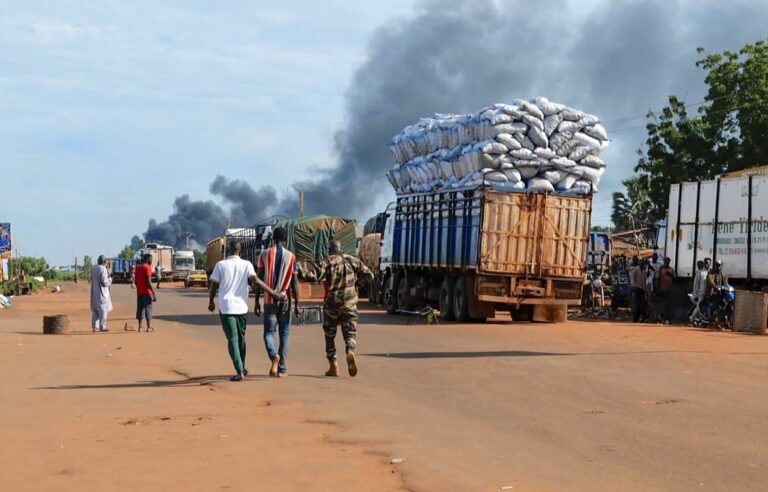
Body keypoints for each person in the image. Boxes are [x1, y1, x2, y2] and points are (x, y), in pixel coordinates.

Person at [209, 240, 284, 381]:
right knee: (241, 339)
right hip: (242, 308)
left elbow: (214, 286)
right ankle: (241, 367)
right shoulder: (247, 264)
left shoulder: (221, 265)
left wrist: (211, 301)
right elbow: (257, 281)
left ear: (228, 251)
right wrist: (273, 293)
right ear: (240, 251)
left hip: (226, 308)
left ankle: (239, 370)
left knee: (233, 339)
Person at [312, 240, 373, 377]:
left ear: (330, 250)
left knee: (330, 334)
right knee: (350, 331)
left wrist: (300, 271)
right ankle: (350, 350)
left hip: (332, 303)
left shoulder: (328, 261)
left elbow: (314, 275)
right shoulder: (353, 260)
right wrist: (356, 284)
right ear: (342, 248)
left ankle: (333, 365)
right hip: (350, 302)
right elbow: (370, 275)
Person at [255, 227, 300, 377]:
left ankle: (274, 355)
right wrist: (297, 304)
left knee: (269, 333)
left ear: (273, 238)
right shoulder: (292, 257)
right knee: (285, 333)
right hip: (285, 300)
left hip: (269, 299)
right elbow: (294, 282)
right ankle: (282, 369)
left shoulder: (264, 254)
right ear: (285, 239)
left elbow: (258, 280)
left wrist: (256, 301)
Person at [133, 254, 157, 332]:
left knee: (140, 309)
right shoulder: (147, 267)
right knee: (148, 308)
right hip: (147, 292)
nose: (151, 261)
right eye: (150, 259)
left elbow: (136, 282)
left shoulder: (138, 268)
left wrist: (140, 288)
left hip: (139, 292)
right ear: (147, 259)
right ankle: (149, 327)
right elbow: (149, 281)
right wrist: (153, 292)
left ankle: (140, 327)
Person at [89, 255, 113, 332]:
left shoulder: (94, 268)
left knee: (96, 310)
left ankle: (95, 326)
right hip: (102, 293)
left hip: (95, 292)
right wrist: (110, 279)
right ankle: (102, 326)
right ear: (104, 262)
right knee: (103, 310)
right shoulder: (103, 269)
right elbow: (104, 282)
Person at [655, 257, 676, 322]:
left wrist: (671, 275)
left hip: (669, 289)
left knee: (667, 304)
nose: (666, 262)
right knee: (662, 303)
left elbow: (675, 279)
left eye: (668, 261)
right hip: (662, 289)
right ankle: (660, 317)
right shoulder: (661, 269)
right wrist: (658, 288)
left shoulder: (671, 269)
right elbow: (657, 278)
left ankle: (665, 317)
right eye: (665, 261)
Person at [629, 256, 646, 322]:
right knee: (636, 303)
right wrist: (634, 286)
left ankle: (640, 318)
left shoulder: (644, 270)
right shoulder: (636, 269)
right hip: (636, 288)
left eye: (643, 263)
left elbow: (644, 280)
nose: (642, 264)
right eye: (641, 262)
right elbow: (632, 279)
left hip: (642, 289)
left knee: (641, 304)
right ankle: (635, 318)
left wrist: (644, 289)